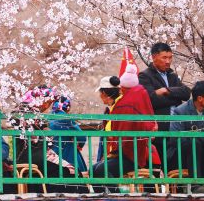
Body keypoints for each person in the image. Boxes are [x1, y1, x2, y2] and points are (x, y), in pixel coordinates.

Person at [92, 64, 158, 193]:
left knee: (100, 170)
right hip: (120, 152)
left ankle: (117, 195)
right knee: (93, 170)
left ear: (104, 93)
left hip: (130, 154)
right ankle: (105, 196)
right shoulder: (117, 107)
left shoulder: (123, 106)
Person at [168, 80, 204, 192]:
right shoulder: (180, 111)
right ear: (200, 98)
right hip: (181, 153)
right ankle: (196, 184)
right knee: (194, 144)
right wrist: (198, 138)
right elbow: (175, 138)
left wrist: (194, 135)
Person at [49, 96, 87, 173]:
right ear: (68, 108)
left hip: (51, 152)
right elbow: (82, 137)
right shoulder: (66, 119)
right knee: (76, 173)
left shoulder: (48, 118)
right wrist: (79, 144)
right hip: (67, 151)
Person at [95, 76, 121, 162]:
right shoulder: (113, 107)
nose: (99, 96)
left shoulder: (119, 107)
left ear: (105, 94)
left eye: (100, 93)